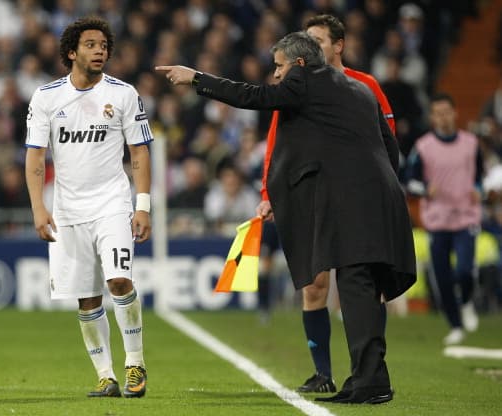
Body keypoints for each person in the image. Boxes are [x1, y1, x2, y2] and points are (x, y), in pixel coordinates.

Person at [156, 30, 416, 404]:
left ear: (297, 64)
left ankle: (371, 383)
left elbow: (254, 97)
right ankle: (370, 378)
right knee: (364, 288)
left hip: (355, 200)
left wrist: (196, 78)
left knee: (356, 284)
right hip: (379, 197)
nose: (275, 75)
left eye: (278, 66)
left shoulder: (305, 80)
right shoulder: (358, 90)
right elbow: (389, 146)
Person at [258, 14, 398, 394]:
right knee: (315, 283)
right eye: (309, 40)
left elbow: (385, 139)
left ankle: (368, 371)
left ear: (339, 45)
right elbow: (278, 139)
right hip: (314, 195)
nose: (313, 46)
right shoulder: (295, 85)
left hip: (354, 196)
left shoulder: (365, 85)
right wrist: (268, 192)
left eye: (320, 40)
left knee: (362, 284)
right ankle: (324, 373)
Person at [25, 17, 152, 399]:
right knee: (86, 296)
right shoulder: (46, 97)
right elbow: (35, 157)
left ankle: (134, 364)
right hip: (67, 210)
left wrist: (141, 205)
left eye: (104, 45)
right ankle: (105, 375)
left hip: (112, 202)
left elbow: (140, 151)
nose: (100, 51)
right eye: (92, 44)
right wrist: (38, 209)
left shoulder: (124, 94)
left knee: (118, 281)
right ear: (71, 52)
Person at [405, 93, 482, 345]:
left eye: (446, 112)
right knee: (443, 276)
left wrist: (478, 190)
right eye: (437, 113)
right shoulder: (423, 146)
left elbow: (480, 176)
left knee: (464, 269)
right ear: (432, 117)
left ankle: (468, 300)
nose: (443, 117)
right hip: (437, 220)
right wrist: (426, 189)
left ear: (455, 112)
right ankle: (456, 325)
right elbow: (410, 182)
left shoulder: (471, 143)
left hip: (465, 217)